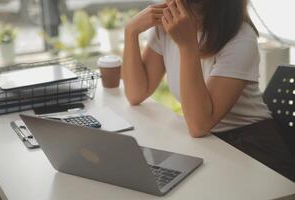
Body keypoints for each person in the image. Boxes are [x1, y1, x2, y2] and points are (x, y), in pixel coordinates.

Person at [122, 0, 295, 181]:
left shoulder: (241, 38)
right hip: (210, 144)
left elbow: (199, 125)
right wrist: (131, 31)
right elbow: (136, 94)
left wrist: (188, 46)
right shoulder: (167, 26)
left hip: (252, 147)